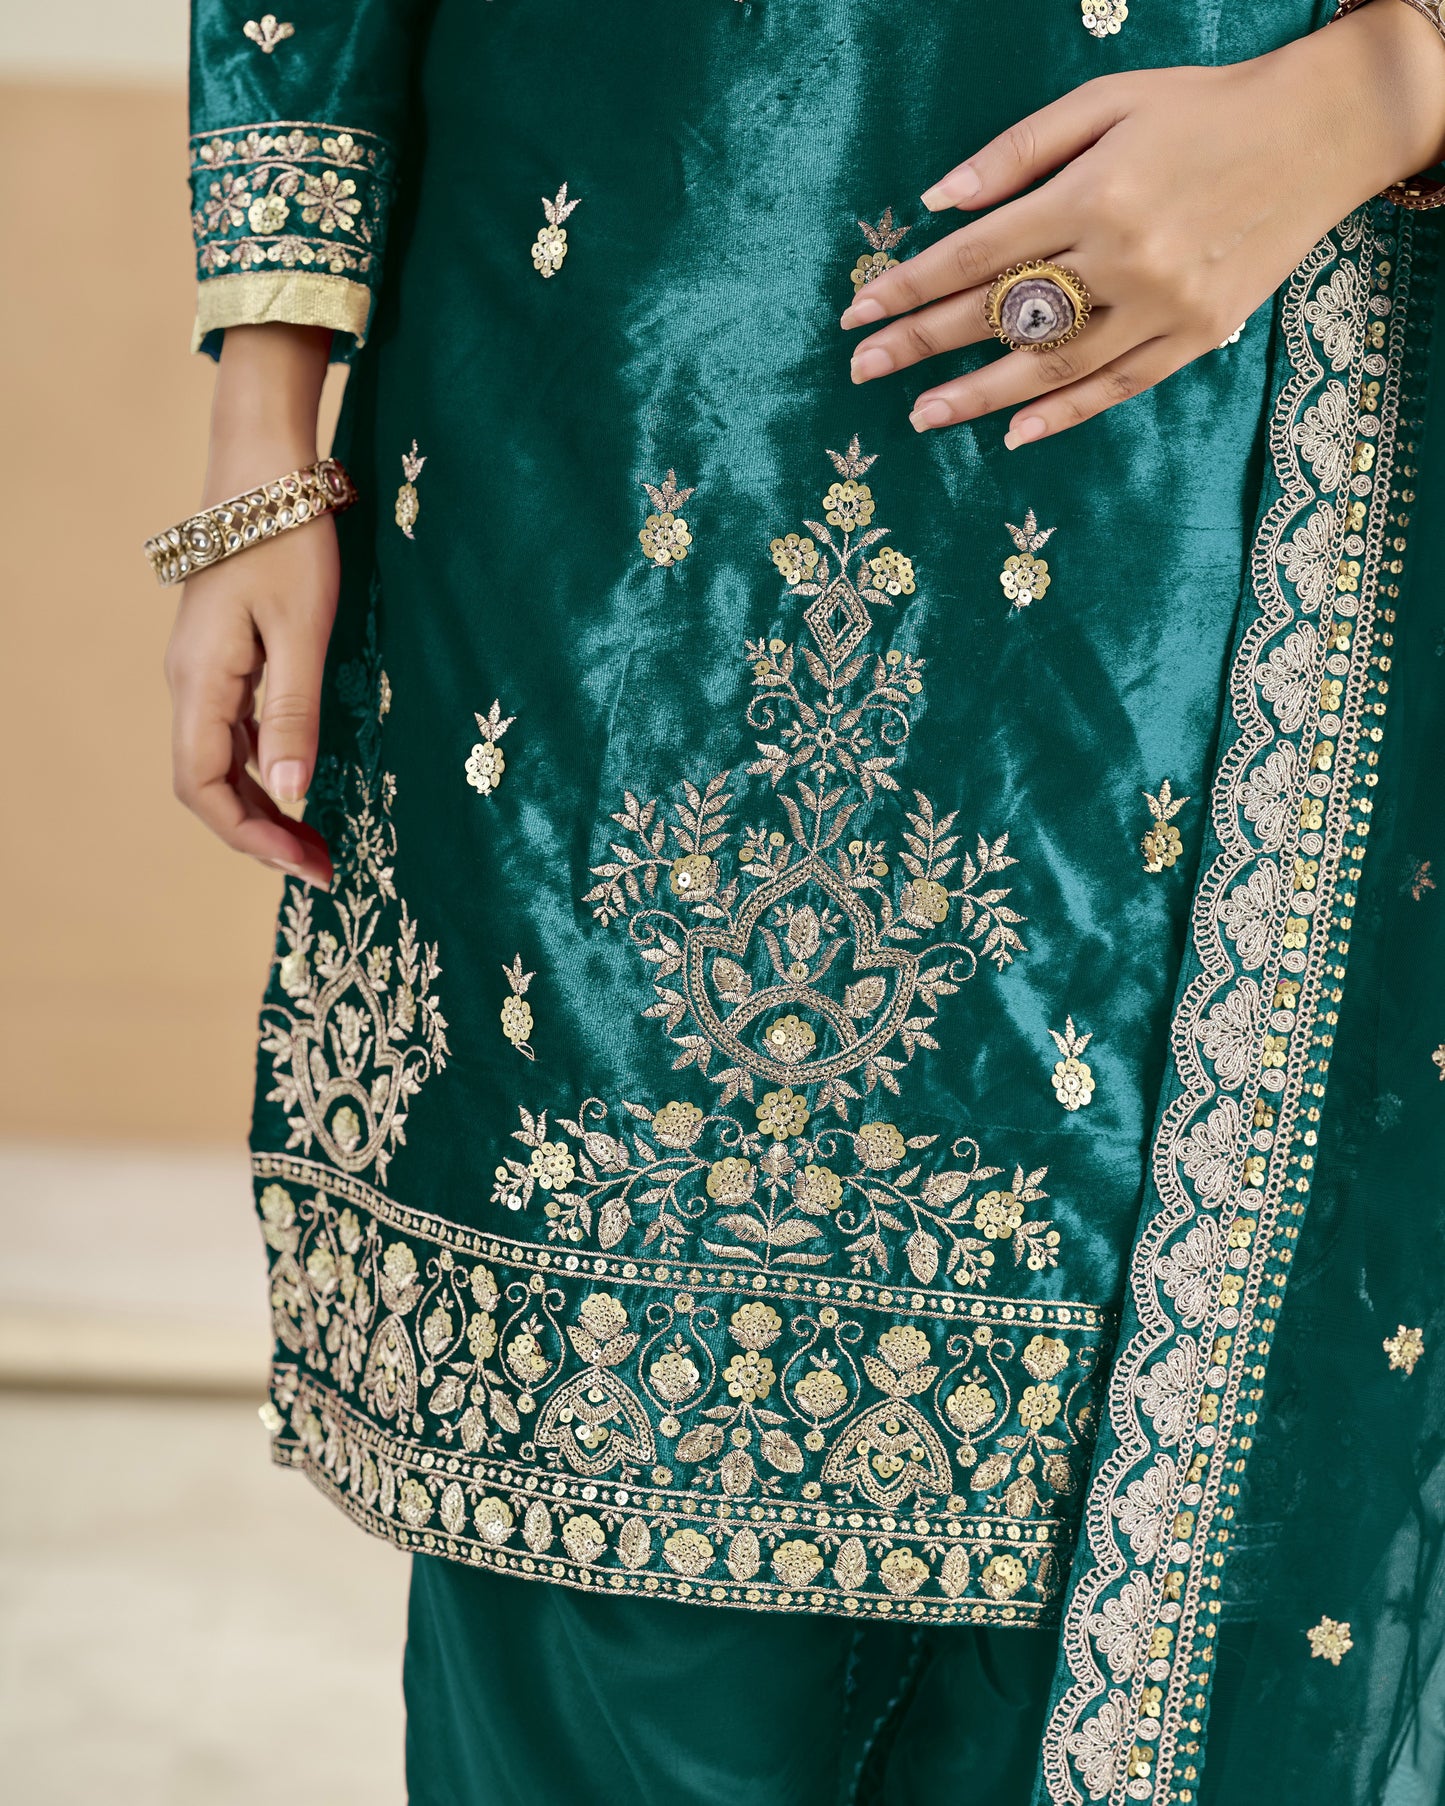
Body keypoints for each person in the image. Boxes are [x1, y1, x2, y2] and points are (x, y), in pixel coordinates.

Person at [152, 1, 1445, 1800]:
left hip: (1225, 460)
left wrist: (1387, 88)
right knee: (610, 1577)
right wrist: (264, 421)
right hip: (610, 441)